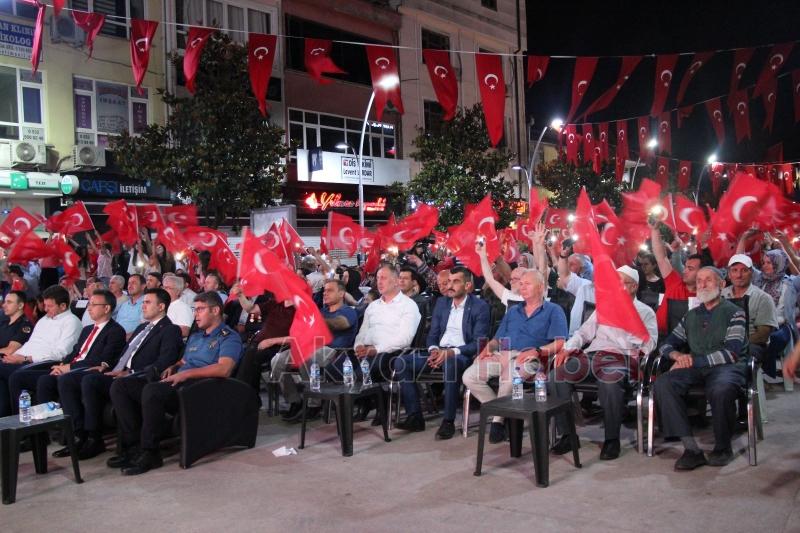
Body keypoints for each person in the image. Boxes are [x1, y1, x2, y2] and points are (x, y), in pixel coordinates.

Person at [109, 291, 242, 475]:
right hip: (179, 383)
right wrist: (175, 366)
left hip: (202, 389)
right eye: (195, 310)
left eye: (201, 310)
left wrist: (186, 375)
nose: (196, 314)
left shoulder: (229, 337)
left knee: (152, 391)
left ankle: (151, 452)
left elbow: (224, 369)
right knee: (121, 386)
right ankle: (133, 447)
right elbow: (185, 361)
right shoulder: (196, 337)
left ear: (216, 310)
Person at [58, 288, 183, 460]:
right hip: (117, 372)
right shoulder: (141, 327)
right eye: (143, 302)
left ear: (161, 306)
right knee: (68, 380)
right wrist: (105, 365)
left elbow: (164, 361)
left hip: (138, 377)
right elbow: (124, 354)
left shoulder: (170, 329)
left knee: (91, 381)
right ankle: (79, 434)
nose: (143, 306)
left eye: (147, 302)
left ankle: (96, 438)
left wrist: (130, 373)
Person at [547, 266, 657, 460]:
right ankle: (567, 435)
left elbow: (649, 346)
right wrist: (568, 348)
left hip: (621, 357)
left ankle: (611, 439)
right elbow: (583, 333)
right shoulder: (605, 307)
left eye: (621, 282)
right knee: (557, 375)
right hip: (593, 355)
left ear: (633, 287)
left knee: (609, 381)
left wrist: (628, 320)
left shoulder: (645, 312)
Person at [655, 266, 749, 470]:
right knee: (663, 384)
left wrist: (690, 361)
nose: (702, 284)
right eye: (699, 281)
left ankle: (723, 448)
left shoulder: (735, 313)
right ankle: (691, 449)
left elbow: (731, 353)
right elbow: (666, 344)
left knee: (721, 388)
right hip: (696, 366)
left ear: (722, 284)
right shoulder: (691, 315)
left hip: (727, 367)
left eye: (708, 280)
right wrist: (677, 356)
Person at [462, 269, 568, 443]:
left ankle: (497, 422)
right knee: (469, 376)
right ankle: (503, 414)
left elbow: (560, 343)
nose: (522, 287)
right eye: (521, 283)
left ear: (541, 287)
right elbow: (497, 339)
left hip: (532, 358)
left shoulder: (553, 310)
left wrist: (537, 351)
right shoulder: (513, 311)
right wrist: (487, 349)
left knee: (510, 377)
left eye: (527, 284)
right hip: (503, 354)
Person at [393, 267, 490, 439]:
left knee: (450, 363)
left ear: (468, 285)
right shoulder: (442, 303)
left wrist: (450, 353)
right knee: (401, 362)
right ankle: (415, 416)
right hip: (438, 352)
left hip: (461, 355)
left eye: (455, 281)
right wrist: (434, 350)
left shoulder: (480, 307)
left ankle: (448, 421)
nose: (449, 286)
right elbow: (433, 335)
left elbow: (478, 343)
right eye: (449, 281)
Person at [8, 290, 126, 425]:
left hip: (84, 371)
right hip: (68, 367)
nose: (89, 308)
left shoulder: (115, 331)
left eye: (93, 304)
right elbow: (75, 352)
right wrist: (61, 365)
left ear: (106, 308)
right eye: (89, 304)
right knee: (17, 377)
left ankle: (72, 430)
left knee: (48, 380)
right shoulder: (87, 329)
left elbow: (102, 360)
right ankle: (27, 428)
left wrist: (68, 368)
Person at [269, 279, 358, 421]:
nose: (325, 293)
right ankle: (294, 401)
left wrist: (316, 319)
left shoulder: (348, 311)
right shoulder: (321, 311)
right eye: (324, 290)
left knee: (306, 355)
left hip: (334, 352)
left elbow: (341, 324)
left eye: (330, 290)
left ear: (341, 293)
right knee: (277, 360)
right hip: (311, 346)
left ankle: (314, 404)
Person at [353, 264, 421, 422]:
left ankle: (378, 405)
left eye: (383, 278)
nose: (379, 282)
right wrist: (359, 346)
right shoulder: (373, 306)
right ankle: (368, 403)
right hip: (368, 350)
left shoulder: (408, 305)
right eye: (377, 278)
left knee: (365, 368)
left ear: (396, 281)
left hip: (393, 352)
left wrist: (376, 349)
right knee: (340, 366)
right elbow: (362, 332)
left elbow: (405, 338)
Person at [0, 285, 82, 416]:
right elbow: (30, 344)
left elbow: (61, 353)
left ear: (63, 306)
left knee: (9, 374)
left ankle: (17, 421)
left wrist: (26, 358)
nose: (45, 309)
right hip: (23, 360)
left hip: (43, 364)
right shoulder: (43, 320)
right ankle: (4, 419)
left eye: (50, 306)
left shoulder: (72, 322)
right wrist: (14, 357)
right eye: (45, 305)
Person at [720, 254, 777, 363]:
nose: (739, 275)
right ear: (729, 274)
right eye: (734, 270)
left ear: (751, 273)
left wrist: (734, 343)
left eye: (744, 270)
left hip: (751, 344)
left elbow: (763, 335)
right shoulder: (721, 295)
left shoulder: (763, 298)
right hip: (721, 342)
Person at [651, 222, 703, 335]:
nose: (684, 271)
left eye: (690, 269)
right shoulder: (674, 282)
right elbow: (661, 258)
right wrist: (655, 230)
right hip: (657, 336)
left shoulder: (706, 298)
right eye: (685, 267)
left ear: (702, 273)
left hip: (686, 343)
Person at [752, 249, 797, 377]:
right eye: (764, 262)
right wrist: (744, 239)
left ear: (780, 264)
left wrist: (784, 245)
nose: (764, 265)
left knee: (773, 339)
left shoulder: (790, 283)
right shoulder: (759, 279)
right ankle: (758, 371)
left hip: (781, 325)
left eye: (769, 263)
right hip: (759, 323)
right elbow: (741, 261)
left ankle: (767, 372)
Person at [0, 290, 33, 356]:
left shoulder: (25, 326)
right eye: (5, 302)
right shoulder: (3, 322)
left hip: (8, 363)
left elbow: (10, 350)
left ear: (20, 305)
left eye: (9, 302)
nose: (4, 305)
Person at [115, 274, 145, 338]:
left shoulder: (146, 303)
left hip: (131, 342)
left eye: (133, 283)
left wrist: (124, 338)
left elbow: (144, 328)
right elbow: (116, 324)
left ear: (143, 286)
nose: (130, 286)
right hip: (116, 338)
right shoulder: (124, 305)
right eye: (129, 283)